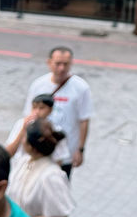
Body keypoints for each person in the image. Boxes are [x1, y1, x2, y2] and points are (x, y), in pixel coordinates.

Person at [24, 47, 93, 179]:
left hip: (66, 151)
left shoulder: (81, 88)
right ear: (49, 63)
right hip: (40, 151)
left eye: (65, 64)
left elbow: (84, 120)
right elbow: (29, 116)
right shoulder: (38, 85)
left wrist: (80, 149)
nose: (61, 68)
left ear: (71, 63)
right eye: (57, 64)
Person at [6, 120, 74, 217]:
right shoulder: (23, 162)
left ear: (30, 146)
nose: (21, 139)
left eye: (24, 136)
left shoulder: (51, 176)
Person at [6, 94, 68, 169]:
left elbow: (58, 159)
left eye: (41, 108)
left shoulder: (55, 129)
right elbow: (9, 152)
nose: (37, 111)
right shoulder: (21, 124)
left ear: (50, 110)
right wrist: (23, 129)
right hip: (20, 169)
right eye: (34, 108)